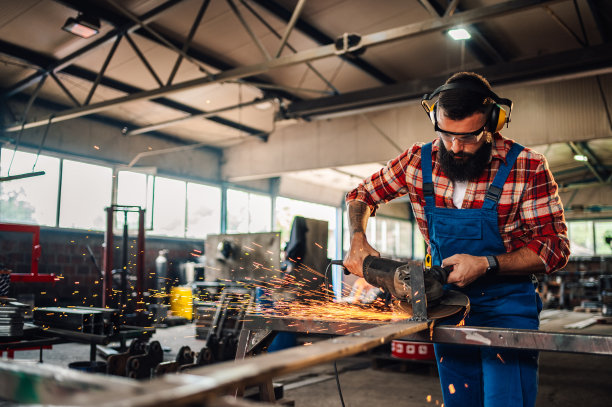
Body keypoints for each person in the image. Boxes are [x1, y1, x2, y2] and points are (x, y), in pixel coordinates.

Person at [344, 72, 570, 407]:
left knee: (506, 401)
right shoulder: (416, 161)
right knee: (459, 401)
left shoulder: (528, 166)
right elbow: (361, 193)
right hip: (446, 305)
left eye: (468, 137)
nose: (455, 147)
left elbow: (555, 247)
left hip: (506, 306)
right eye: (446, 135)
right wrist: (358, 239)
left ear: (494, 123)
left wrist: (487, 263)